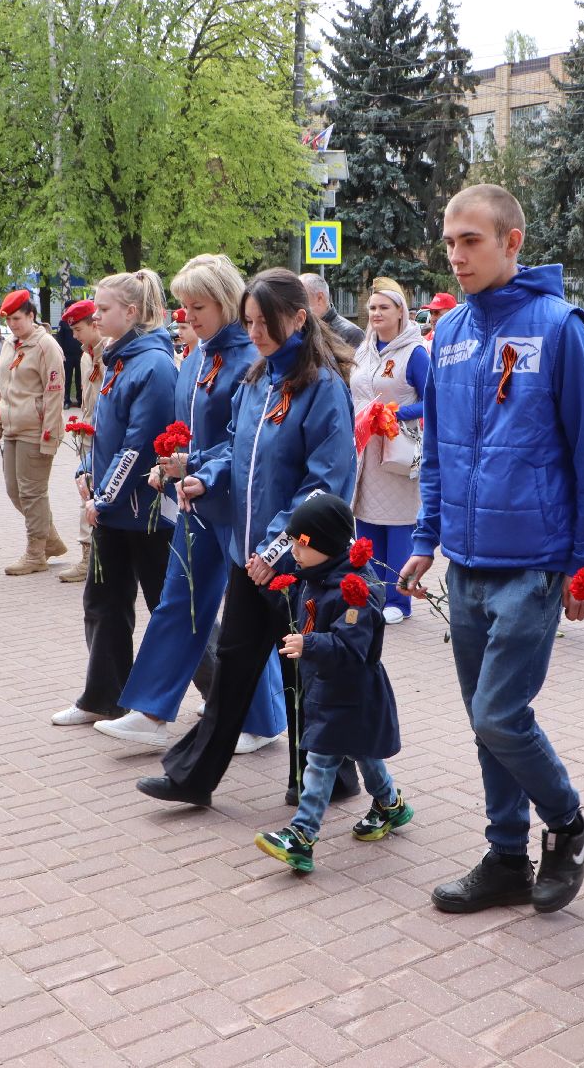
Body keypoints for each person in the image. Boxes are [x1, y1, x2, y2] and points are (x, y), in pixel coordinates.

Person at [399, 183, 584, 916]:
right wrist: (426, 537)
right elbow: (438, 451)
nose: (456, 256)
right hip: (466, 563)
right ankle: (506, 857)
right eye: (450, 242)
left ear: (512, 242)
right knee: (484, 721)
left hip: (533, 562)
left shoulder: (559, 328)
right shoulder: (450, 333)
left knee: (498, 714)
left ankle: (569, 824)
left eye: (471, 241)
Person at [135, 268, 358, 807]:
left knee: (303, 674)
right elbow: (235, 449)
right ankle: (193, 778)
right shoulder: (258, 381)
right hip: (248, 556)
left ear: (299, 318)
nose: (254, 333)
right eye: (249, 321)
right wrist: (202, 474)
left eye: (264, 322)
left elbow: (325, 484)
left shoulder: (323, 387)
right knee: (233, 667)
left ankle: (326, 778)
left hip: (297, 564)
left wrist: (277, 547)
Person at [93, 255, 286, 754]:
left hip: (238, 505)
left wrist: (199, 468)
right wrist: (170, 465)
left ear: (225, 301)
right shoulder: (197, 357)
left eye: (198, 307)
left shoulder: (250, 359)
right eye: (183, 307)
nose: (188, 316)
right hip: (196, 500)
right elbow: (188, 429)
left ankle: (261, 719)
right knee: (180, 602)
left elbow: (245, 439)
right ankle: (152, 711)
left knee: (242, 613)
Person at [255, 493, 412, 873]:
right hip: (326, 686)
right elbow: (303, 612)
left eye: (301, 543)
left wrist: (309, 644)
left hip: (350, 691)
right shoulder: (317, 575)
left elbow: (351, 646)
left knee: (321, 761)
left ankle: (302, 835)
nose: (294, 550)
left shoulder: (354, 590)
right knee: (363, 752)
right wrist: (273, 589)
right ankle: (390, 804)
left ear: (325, 544)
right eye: (292, 541)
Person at [50, 270, 178, 727]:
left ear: (132, 312)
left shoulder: (153, 365)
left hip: (145, 515)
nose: (95, 316)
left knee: (170, 611)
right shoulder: (119, 359)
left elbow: (139, 445)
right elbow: (107, 432)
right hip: (114, 511)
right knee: (103, 604)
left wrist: (102, 497)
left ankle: (233, 703)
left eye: (103, 309)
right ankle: (104, 698)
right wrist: (87, 468)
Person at [348, 280, 429, 624]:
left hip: (399, 451)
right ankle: (373, 594)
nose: (376, 313)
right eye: (372, 307)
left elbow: (434, 400)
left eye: (384, 307)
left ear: (400, 312)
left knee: (398, 525)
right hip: (364, 451)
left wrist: (396, 413)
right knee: (366, 521)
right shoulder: (363, 349)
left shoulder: (415, 353)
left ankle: (400, 600)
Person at [0, 289, 70, 576]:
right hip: (12, 427)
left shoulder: (46, 345)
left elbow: (54, 393)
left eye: (17, 319)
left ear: (31, 316)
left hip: (35, 429)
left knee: (33, 493)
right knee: (15, 491)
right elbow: (3, 387)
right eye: (9, 320)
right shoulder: (10, 344)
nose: (12, 325)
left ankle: (36, 553)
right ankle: (50, 540)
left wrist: (50, 433)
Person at [55, 300, 109, 582]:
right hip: (90, 434)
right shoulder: (88, 355)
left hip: (107, 436)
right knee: (86, 491)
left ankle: (95, 558)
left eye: (78, 330)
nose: (74, 336)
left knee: (96, 495)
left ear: (94, 324)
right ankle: (90, 556)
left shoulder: (110, 354)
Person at [302, 271, 363, 347]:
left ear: (320, 298)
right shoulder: (299, 329)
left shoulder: (352, 334)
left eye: (301, 298)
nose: (296, 304)